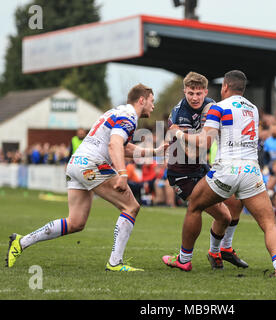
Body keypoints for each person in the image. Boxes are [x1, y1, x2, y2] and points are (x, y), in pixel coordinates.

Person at [6, 84, 167, 272]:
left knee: (75, 222)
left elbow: (123, 146)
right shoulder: (129, 116)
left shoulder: (116, 112)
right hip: (92, 164)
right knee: (131, 207)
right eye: (152, 101)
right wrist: (122, 174)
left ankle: (21, 242)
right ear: (142, 100)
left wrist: (154, 152)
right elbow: (114, 145)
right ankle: (115, 263)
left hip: (76, 164)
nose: (153, 106)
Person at [163, 70, 276, 277]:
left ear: (224, 87)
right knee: (268, 222)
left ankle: (184, 260)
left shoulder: (218, 108)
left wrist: (177, 132)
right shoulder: (253, 109)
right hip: (251, 170)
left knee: (194, 206)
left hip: (227, 170)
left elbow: (205, 142)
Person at [166, 71, 248, 269]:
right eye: (190, 93)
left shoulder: (211, 104)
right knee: (215, 213)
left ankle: (220, 251)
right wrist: (182, 132)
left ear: (205, 92)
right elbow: (193, 153)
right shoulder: (181, 113)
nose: (195, 98)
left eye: (198, 93)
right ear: (184, 91)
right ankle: (185, 259)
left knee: (234, 205)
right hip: (181, 173)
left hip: (202, 168)